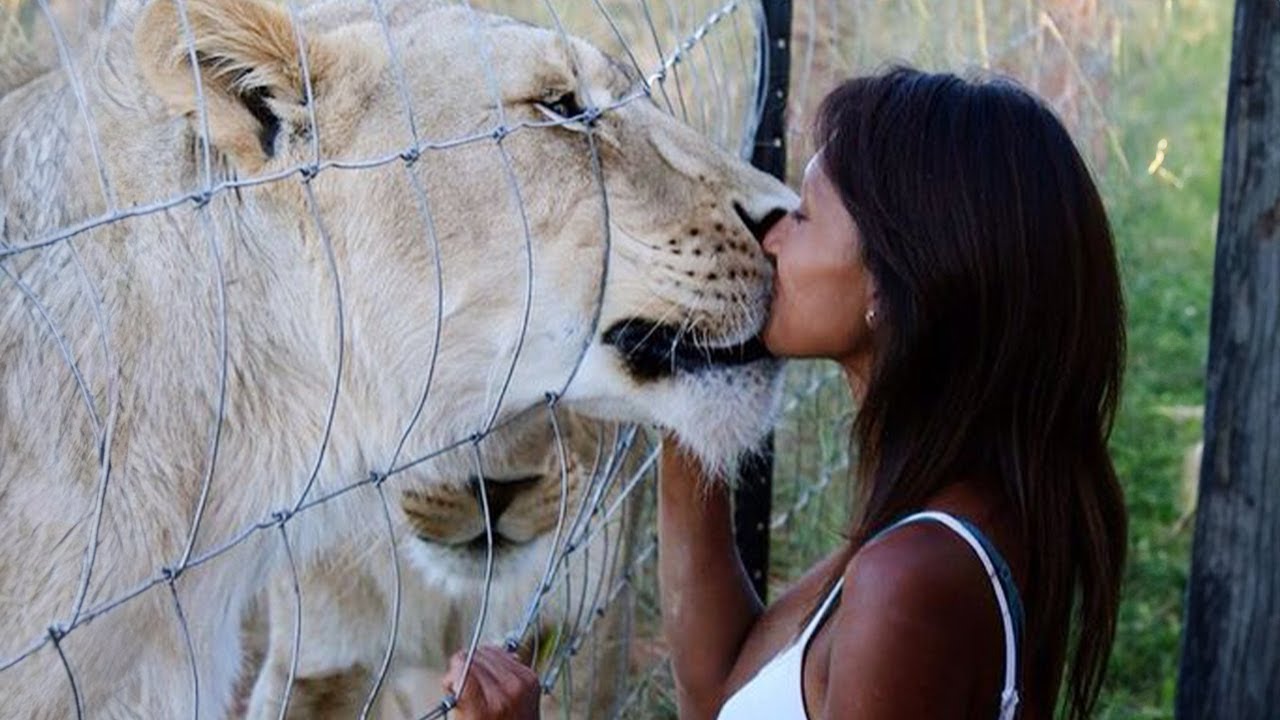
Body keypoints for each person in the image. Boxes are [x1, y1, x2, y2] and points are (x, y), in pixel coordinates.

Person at [440, 66, 1128, 720]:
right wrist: (691, 375)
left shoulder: (909, 580)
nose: (767, 240)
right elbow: (719, 692)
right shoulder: (962, 503)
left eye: (802, 216)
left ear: (890, 287)